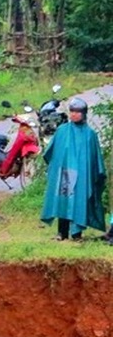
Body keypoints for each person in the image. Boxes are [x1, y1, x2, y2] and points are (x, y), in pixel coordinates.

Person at [40, 97, 107, 241]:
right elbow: (51, 152)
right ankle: (62, 233)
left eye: (77, 112)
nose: (74, 115)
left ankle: (76, 234)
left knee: (79, 201)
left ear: (84, 114)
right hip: (66, 173)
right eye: (72, 112)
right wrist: (56, 167)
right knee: (63, 201)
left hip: (83, 175)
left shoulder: (90, 134)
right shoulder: (62, 131)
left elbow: (95, 159)